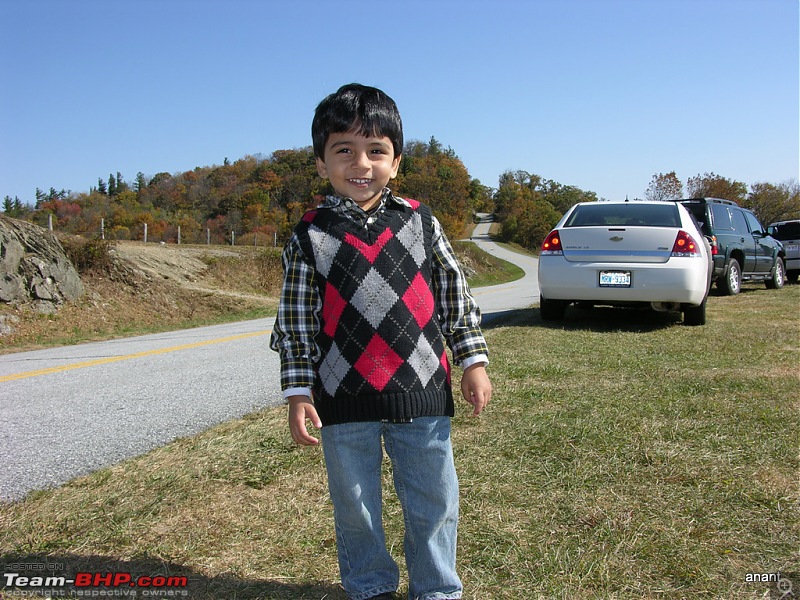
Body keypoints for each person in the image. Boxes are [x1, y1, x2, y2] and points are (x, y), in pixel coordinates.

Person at [269, 83, 492, 600]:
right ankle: (369, 587)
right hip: (342, 400)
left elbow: (454, 293)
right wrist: (298, 392)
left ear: (396, 161)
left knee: (434, 500)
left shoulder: (421, 221)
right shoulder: (310, 234)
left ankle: (436, 589)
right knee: (355, 506)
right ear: (322, 163)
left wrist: (472, 360)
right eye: (343, 150)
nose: (360, 163)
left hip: (423, 391)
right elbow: (296, 322)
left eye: (376, 151)